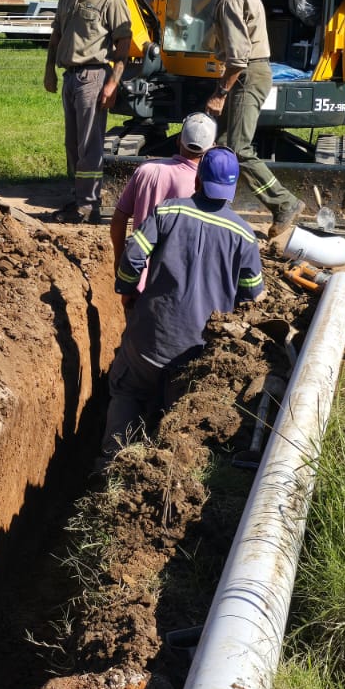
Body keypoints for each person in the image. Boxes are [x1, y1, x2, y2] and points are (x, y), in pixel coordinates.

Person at [100, 146, 265, 465]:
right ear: (232, 189)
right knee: (179, 414)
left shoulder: (168, 212)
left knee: (128, 391)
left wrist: (126, 288)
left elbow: (133, 254)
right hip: (198, 352)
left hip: (150, 335)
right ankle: (164, 468)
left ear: (198, 181)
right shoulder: (244, 236)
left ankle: (111, 464)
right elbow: (251, 298)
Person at [189, 0, 303, 236]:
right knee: (224, 145)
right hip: (250, 73)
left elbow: (238, 59)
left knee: (237, 148)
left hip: (247, 76)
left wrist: (220, 93)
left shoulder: (229, 0)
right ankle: (216, 207)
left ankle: (283, 202)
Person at [43, 0, 134, 224]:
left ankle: (88, 205)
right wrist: (49, 70)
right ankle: (77, 196)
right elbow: (57, 34)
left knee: (89, 144)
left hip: (94, 76)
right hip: (70, 77)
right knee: (72, 143)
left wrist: (113, 83)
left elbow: (124, 44)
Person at [110, 112, 216, 299]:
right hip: (177, 289)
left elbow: (119, 219)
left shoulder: (146, 170)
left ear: (178, 141)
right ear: (211, 148)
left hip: (137, 279)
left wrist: (119, 258)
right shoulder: (203, 185)